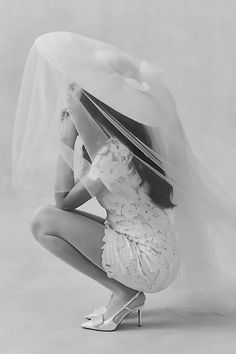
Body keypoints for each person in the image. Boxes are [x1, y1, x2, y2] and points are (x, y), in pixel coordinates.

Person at [12, 32, 236, 332]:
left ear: (91, 112)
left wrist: (66, 137)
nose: (66, 112)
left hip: (147, 261)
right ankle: (124, 292)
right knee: (56, 219)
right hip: (158, 252)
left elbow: (61, 202)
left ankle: (125, 292)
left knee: (43, 221)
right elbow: (71, 205)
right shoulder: (124, 146)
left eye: (72, 107)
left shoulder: (111, 156)